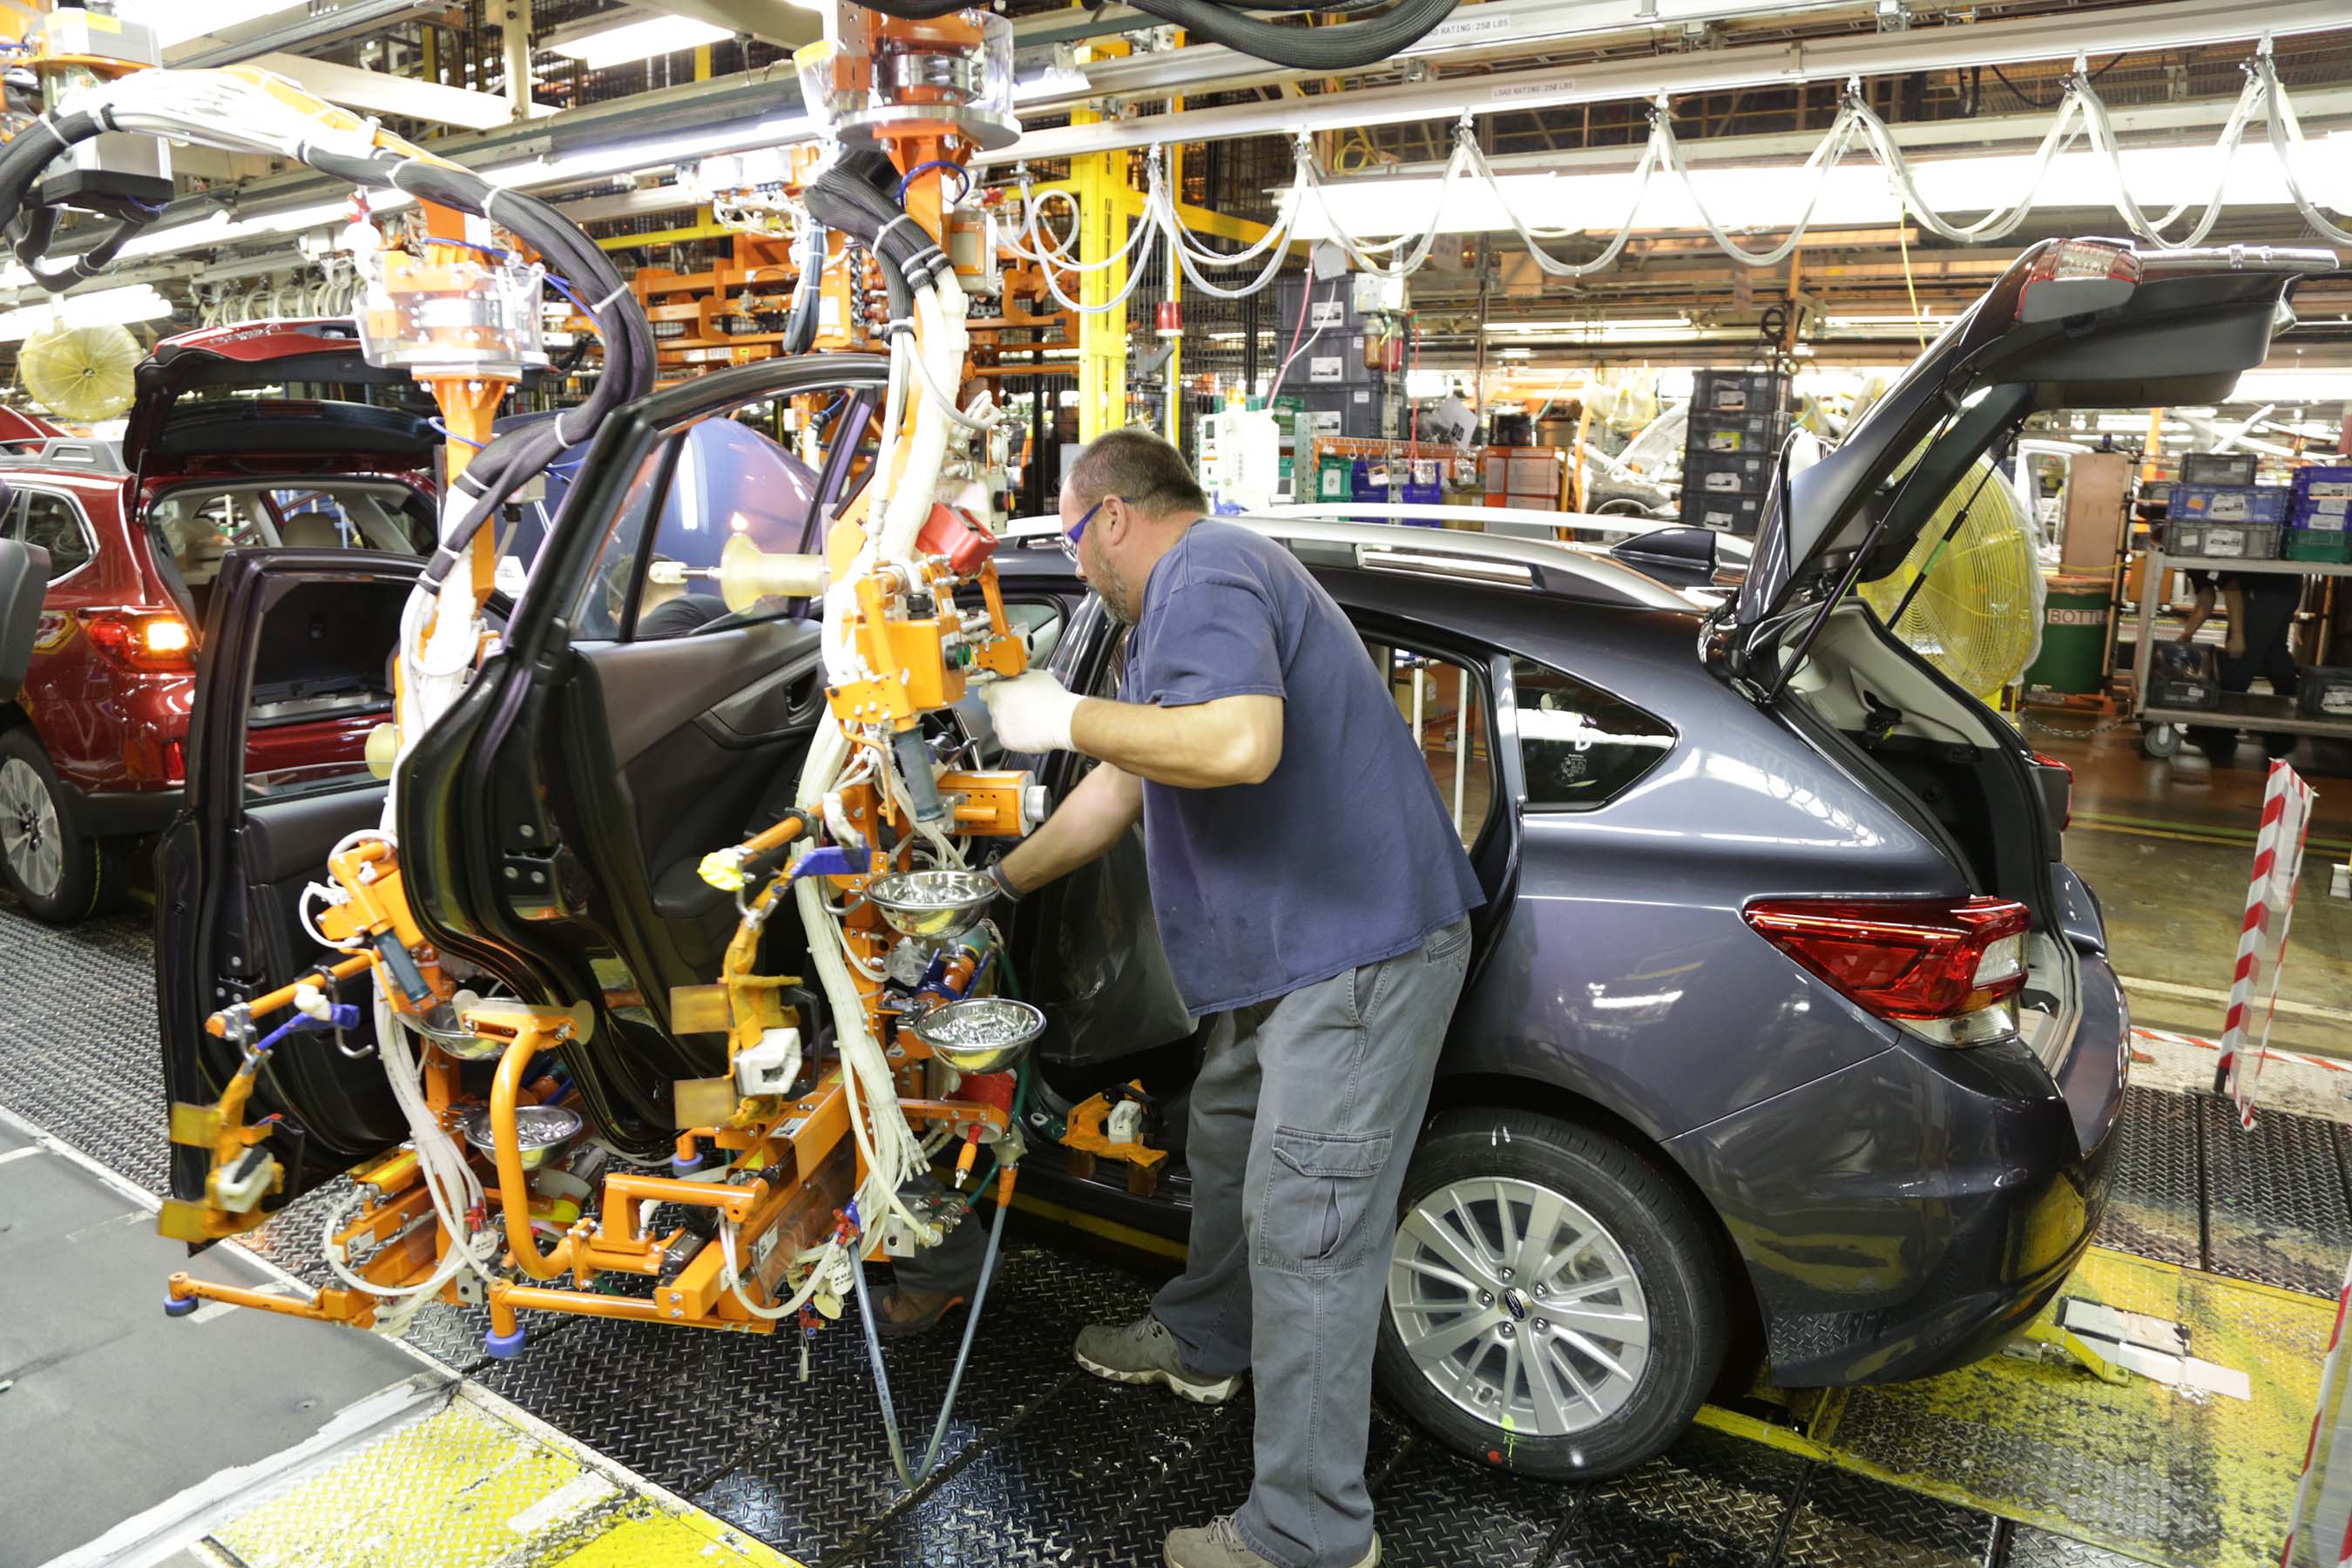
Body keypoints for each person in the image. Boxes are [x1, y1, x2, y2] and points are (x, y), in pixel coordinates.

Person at [963, 428, 1478, 1568]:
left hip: (1358, 957)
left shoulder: (1209, 568)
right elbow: (1114, 795)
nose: (1075, 556)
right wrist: (992, 887)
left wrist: (1055, 713)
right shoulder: (1175, 622)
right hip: (1291, 963)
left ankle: (1310, 1532)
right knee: (1229, 1137)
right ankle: (1206, 1339)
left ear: (1109, 519)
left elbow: (1240, 745)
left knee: (1311, 1232)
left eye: (1069, 533)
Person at [2178, 567, 2301, 763]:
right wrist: (2187, 633)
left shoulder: (2195, 547)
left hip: (2264, 588)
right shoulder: (2190, 553)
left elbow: (2232, 589)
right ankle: (2283, 732)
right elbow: (2206, 596)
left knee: (2239, 657)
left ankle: (2219, 731)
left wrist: (2237, 635)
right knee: (2274, 652)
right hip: (2282, 586)